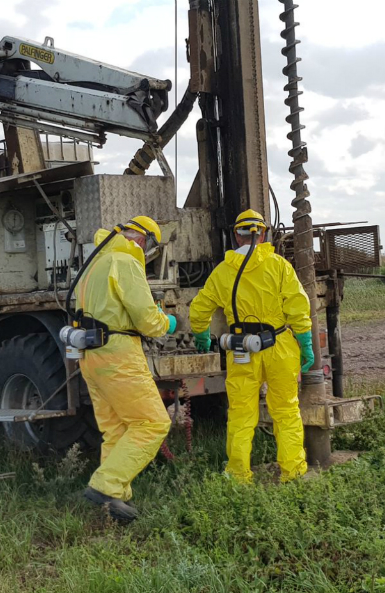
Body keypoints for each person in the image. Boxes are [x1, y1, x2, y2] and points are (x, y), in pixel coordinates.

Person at [189, 209, 315, 483]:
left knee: (241, 415)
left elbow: (200, 308)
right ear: (264, 234)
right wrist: (305, 342)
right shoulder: (279, 265)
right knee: (286, 411)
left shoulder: (223, 271)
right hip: (280, 346)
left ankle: (237, 475)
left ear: (236, 235)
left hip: (240, 349)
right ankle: (292, 473)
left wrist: (201, 335)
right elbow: (297, 305)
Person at [76, 216, 176, 523]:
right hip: (118, 354)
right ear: (143, 240)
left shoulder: (95, 264)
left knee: (116, 429)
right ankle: (105, 486)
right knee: (152, 423)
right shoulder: (126, 262)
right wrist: (166, 323)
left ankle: (113, 503)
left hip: (91, 355)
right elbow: (146, 318)